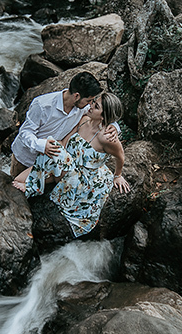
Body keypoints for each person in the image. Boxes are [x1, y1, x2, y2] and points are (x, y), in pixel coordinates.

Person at [13, 92, 131, 238]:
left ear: (103, 116)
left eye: (96, 106)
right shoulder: (83, 119)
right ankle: (34, 184)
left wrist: (117, 175)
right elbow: (64, 143)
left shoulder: (107, 138)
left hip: (81, 180)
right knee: (18, 180)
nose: (90, 106)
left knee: (51, 150)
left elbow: (120, 156)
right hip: (65, 167)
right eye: (93, 101)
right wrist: (51, 160)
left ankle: (32, 187)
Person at [9, 71, 104, 179]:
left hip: (48, 164)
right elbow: (25, 132)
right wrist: (42, 145)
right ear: (77, 96)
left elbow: (102, 113)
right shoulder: (42, 105)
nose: (90, 104)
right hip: (25, 159)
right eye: (89, 100)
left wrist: (114, 126)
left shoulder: (82, 108)